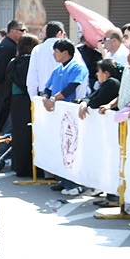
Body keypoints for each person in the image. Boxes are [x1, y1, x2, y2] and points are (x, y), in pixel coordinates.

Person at [42, 39, 89, 195]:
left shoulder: (77, 67)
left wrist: (54, 99)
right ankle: (64, 180)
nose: (54, 54)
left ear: (65, 52)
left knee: (72, 149)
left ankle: (75, 183)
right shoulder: (57, 70)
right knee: (60, 147)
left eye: (56, 51)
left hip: (74, 115)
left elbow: (71, 88)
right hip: (58, 115)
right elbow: (47, 88)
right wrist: (45, 97)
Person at [6, 34, 39, 177]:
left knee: (19, 134)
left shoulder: (14, 62)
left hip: (16, 101)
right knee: (31, 134)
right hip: (30, 99)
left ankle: (19, 166)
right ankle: (32, 167)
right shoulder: (33, 62)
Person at [0, 20, 26, 135]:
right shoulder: (7, 46)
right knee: (1, 117)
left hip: (7, 88)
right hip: (4, 87)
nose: (24, 33)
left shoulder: (12, 44)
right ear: (12, 31)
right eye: (21, 30)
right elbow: (1, 65)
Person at [26, 21, 65, 99]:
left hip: (44, 94)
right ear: (59, 33)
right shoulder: (70, 49)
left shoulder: (38, 49)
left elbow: (32, 76)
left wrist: (33, 97)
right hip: (65, 93)